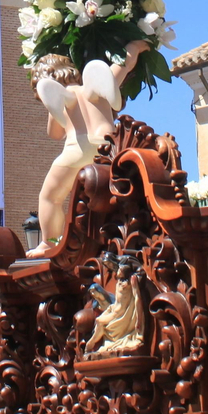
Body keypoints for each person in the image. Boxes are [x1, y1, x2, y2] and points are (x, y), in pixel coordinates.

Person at [27, 40, 149, 257]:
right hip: (108, 146)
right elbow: (126, 64)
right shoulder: (95, 88)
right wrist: (137, 46)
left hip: (78, 149)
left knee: (50, 197)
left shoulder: (64, 97)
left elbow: (54, 134)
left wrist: (53, 109)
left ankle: (49, 242)